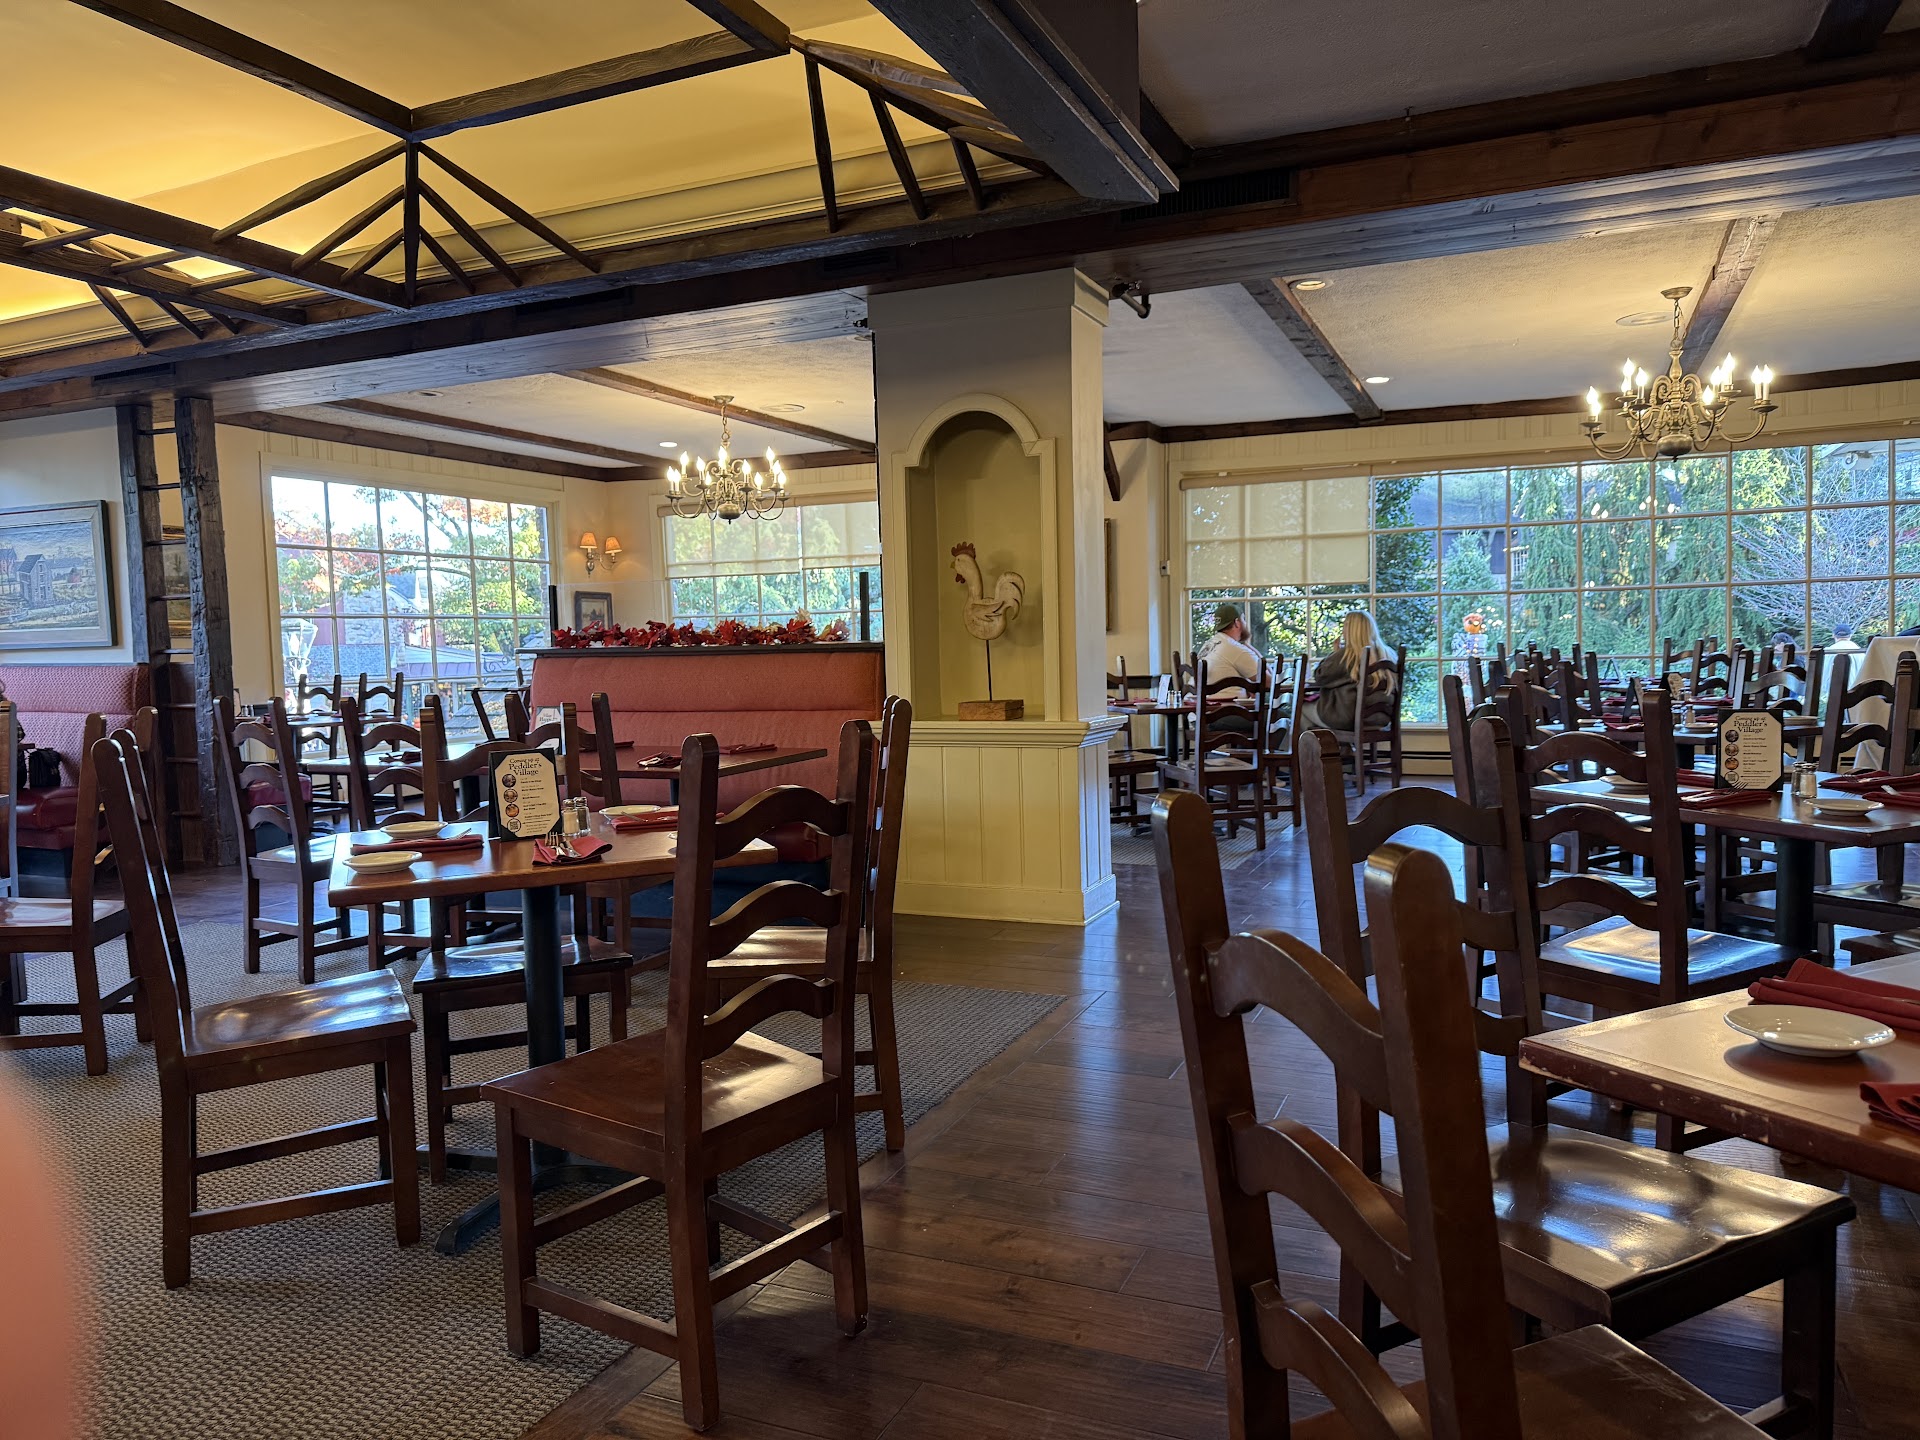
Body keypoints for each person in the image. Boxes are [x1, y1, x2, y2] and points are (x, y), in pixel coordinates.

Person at [1300, 610, 1396, 733]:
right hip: (1381, 718)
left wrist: (1334, 654)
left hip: (1350, 719)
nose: (1343, 631)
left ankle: (1314, 745)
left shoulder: (1349, 654)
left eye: (1345, 626)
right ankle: (1339, 745)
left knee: (1300, 709)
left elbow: (1320, 676)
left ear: (1351, 630)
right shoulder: (1388, 653)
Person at [1196, 603, 1263, 735]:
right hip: (1218, 717)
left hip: (1199, 715)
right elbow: (1268, 681)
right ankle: (1260, 750)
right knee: (1279, 718)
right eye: (1244, 619)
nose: (1245, 623)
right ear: (1237, 622)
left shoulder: (1209, 644)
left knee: (1257, 715)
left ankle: (1247, 749)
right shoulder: (1234, 648)